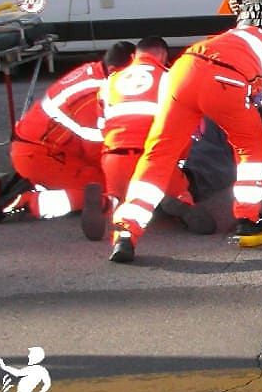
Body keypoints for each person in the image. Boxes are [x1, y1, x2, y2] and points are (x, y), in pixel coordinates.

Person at [107, 29, 262, 264]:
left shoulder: (259, 37)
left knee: (159, 154)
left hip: (182, 71)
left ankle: (126, 232)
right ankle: (248, 218)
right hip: (224, 81)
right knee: (250, 145)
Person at [87, 36, 214, 241]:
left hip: (114, 158)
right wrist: (179, 160)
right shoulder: (171, 77)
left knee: (120, 196)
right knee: (176, 187)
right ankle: (179, 200)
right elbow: (191, 128)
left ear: (134, 56)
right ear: (163, 56)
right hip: (152, 158)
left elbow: (102, 126)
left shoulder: (110, 82)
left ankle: (105, 203)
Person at [0, 42, 134, 224]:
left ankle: (37, 184)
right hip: (41, 156)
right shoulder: (93, 96)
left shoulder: (94, 72)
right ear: (114, 70)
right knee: (114, 190)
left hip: (43, 149)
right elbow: (98, 152)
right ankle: (32, 202)